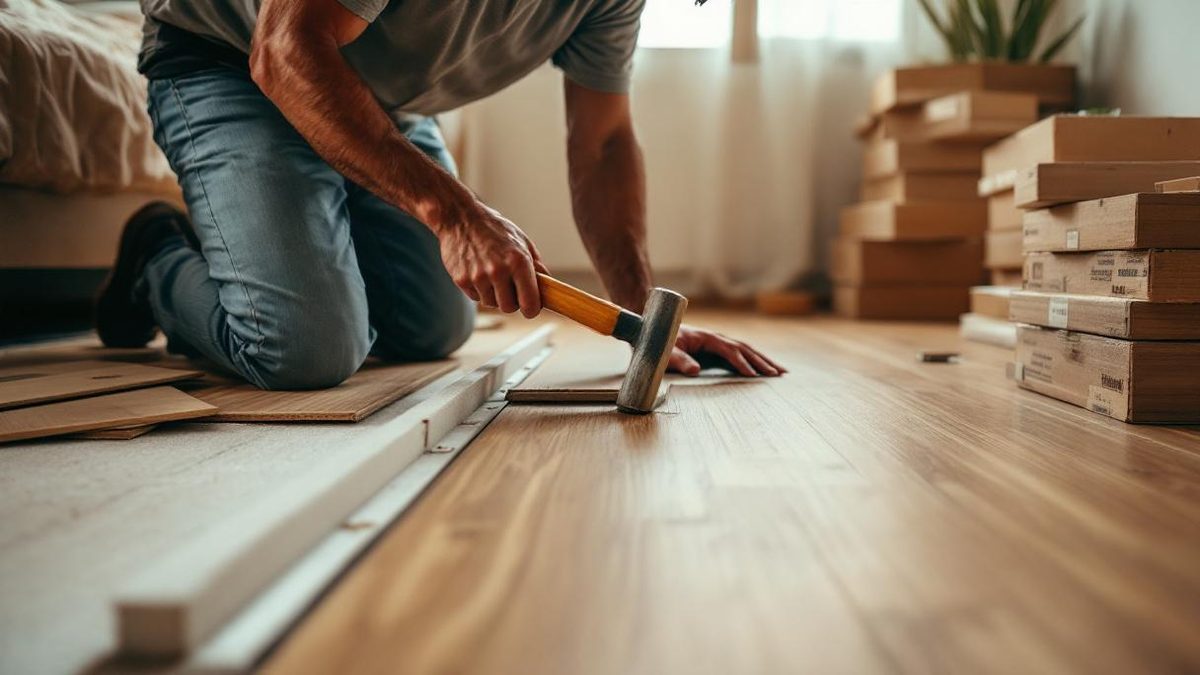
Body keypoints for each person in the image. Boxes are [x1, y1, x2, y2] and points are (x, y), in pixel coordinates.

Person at [96, 0, 785, 390]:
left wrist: (644, 322)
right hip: (233, 61)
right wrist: (454, 214)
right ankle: (158, 255)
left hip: (379, 99)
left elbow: (603, 145)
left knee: (433, 327)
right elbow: (286, 50)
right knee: (305, 351)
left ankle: (287, 231)